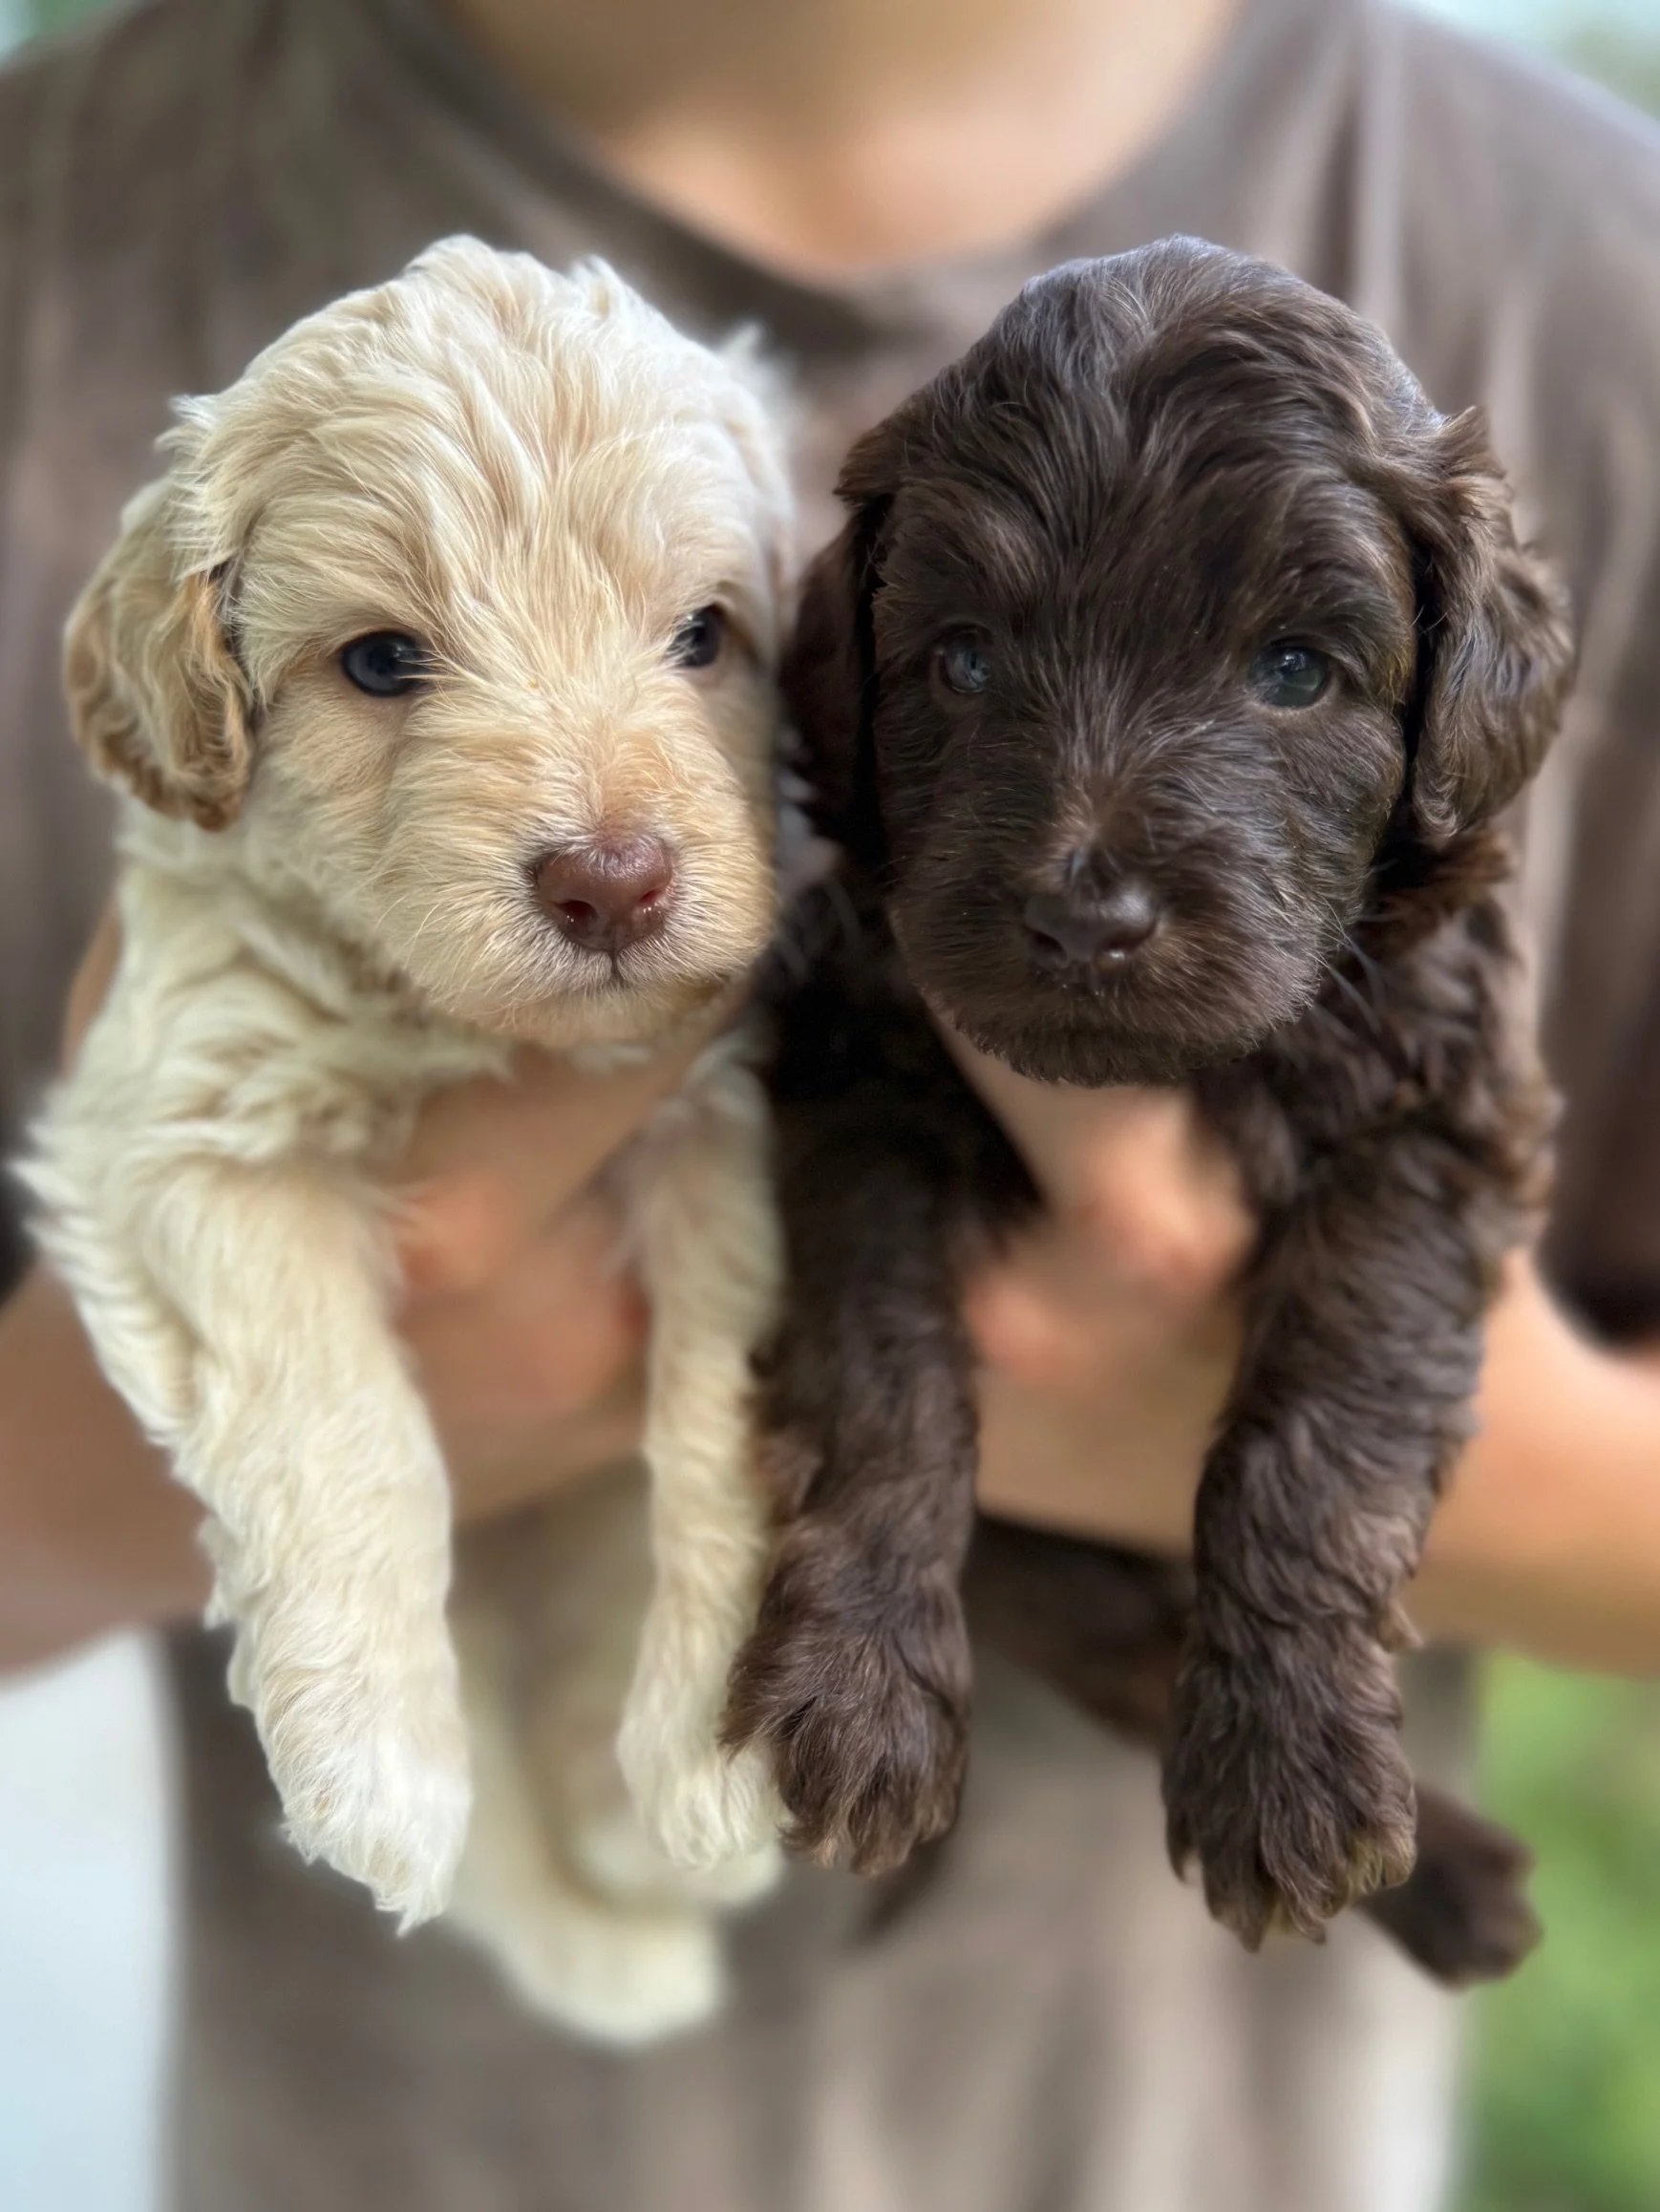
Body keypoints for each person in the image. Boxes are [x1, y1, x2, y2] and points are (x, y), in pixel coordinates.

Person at [2, 0, 1659, 2204]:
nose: (1085, 849)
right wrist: (272, 1411)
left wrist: (1298, 1520)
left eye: (1289, 669)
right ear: (854, 686)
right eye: (963, 668)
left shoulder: (1592, 287)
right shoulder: (53, 239)